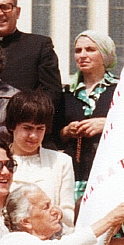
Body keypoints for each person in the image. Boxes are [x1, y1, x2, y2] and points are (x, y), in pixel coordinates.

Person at [59, 29, 119, 203]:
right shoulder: (66, 93)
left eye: (90, 49)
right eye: (78, 51)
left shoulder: (122, 90)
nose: (82, 55)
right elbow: (54, 134)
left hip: (110, 175)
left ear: (106, 55)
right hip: (74, 177)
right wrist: (67, 131)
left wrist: (107, 124)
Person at [6, 89, 75, 228]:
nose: (33, 136)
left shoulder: (61, 162)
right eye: (27, 128)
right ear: (12, 126)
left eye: (40, 129)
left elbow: (69, 217)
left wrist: (55, 213)